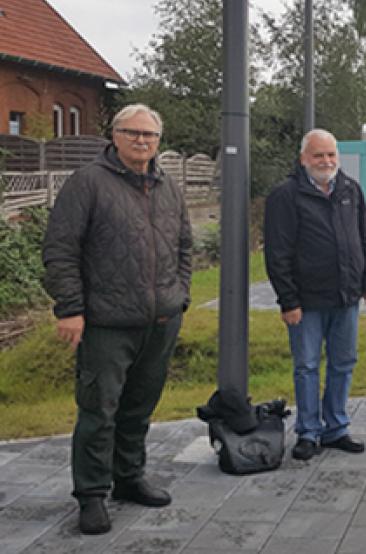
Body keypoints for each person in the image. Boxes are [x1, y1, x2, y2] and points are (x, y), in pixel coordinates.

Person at [42, 104, 192, 535]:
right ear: (115, 135)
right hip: (106, 322)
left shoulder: (169, 187)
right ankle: (91, 495)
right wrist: (70, 308)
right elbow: (60, 249)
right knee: (99, 410)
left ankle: (129, 478)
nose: (142, 141)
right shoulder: (87, 183)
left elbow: (184, 244)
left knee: (138, 408)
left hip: (159, 321)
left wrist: (178, 296)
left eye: (150, 135)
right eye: (133, 133)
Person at [264, 129, 366, 461]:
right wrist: (288, 300)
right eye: (319, 155)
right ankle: (309, 432)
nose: (326, 161)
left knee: (343, 363)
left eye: (331, 155)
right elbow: (278, 253)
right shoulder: (286, 196)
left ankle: (336, 428)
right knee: (307, 366)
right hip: (307, 302)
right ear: (304, 159)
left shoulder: (349, 190)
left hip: (346, 297)